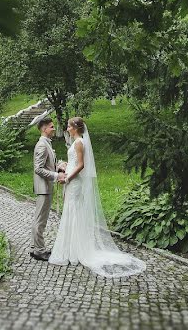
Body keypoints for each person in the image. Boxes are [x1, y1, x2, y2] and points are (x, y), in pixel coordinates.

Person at [48, 116, 146, 277]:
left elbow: (81, 165)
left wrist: (67, 177)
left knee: (74, 211)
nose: (67, 128)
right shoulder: (76, 141)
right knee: (72, 211)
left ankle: (75, 251)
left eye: (69, 126)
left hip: (75, 181)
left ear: (76, 128)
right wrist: (64, 166)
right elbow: (74, 163)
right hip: (71, 179)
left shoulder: (79, 142)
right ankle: (73, 249)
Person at [29, 113, 66, 261]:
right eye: (51, 127)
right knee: (40, 221)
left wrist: (58, 167)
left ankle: (34, 247)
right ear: (44, 129)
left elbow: (47, 165)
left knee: (40, 219)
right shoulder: (42, 145)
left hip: (45, 187)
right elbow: (38, 169)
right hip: (44, 188)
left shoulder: (46, 143)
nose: (54, 129)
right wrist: (57, 176)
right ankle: (39, 251)